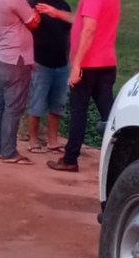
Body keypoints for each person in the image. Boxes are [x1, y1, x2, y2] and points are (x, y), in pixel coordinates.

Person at [38, 0, 119, 172]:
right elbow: (83, 20)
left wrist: (77, 65)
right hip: (106, 62)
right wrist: (58, 13)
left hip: (88, 64)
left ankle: (70, 159)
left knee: (79, 112)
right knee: (110, 116)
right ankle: (122, 158)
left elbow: (89, 28)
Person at [0, 0, 39, 164]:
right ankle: (9, 151)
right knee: (13, 107)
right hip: (15, 57)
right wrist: (34, 12)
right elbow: (34, 22)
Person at [24, 0, 69, 154]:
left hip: (61, 62)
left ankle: (53, 141)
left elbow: (68, 33)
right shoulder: (32, 4)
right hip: (40, 61)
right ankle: (33, 140)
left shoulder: (63, 5)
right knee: (36, 103)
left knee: (57, 105)